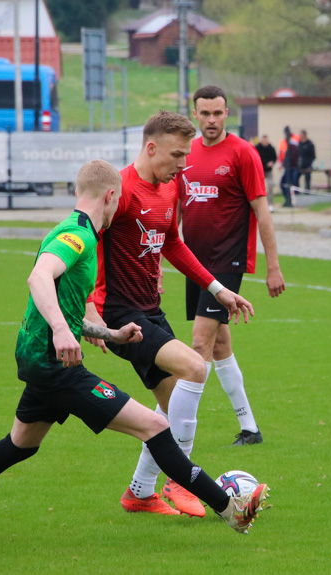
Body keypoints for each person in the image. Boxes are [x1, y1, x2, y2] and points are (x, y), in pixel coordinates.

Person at [0, 159, 269, 540]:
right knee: (155, 426)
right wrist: (60, 331)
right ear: (109, 196)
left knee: (20, 444)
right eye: (117, 200)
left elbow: (64, 305)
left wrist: (108, 333)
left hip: (42, 360)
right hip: (57, 366)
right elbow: (39, 276)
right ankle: (229, 509)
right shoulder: (79, 235)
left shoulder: (73, 229)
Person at [85, 111, 254, 518]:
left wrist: (218, 289)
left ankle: (140, 493)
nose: (183, 165)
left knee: (170, 409)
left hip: (150, 309)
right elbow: (86, 242)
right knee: (196, 367)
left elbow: (173, 244)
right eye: (177, 155)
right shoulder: (121, 191)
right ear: (151, 147)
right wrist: (91, 304)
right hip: (120, 313)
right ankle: (181, 482)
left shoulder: (172, 186)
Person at [180, 85, 286, 446]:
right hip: (193, 264)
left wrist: (273, 267)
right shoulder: (187, 153)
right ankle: (250, 429)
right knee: (221, 345)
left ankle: (176, 432)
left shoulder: (243, 154)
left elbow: (262, 211)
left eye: (218, 113)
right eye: (205, 113)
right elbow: (177, 211)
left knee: (199, 346)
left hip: (227, 261)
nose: (211, 120)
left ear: (227, 113)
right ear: (194, 113)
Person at [278, 126, 300, 207]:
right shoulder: (284, 142)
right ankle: (288, 200)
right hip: (288, 168)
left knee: (293, 185)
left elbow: (295, 156)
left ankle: (294, 201)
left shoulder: (294, 141)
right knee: (283, 184)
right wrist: (282, 164)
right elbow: (283, 154)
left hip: (293, 168)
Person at [255, 134, 278, 209]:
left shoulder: (271, 148)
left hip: (268, 171)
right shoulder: (257, 148)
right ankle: (259, 204)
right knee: (259, 187)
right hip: (259, 170)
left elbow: (274, 158)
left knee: (270, 186)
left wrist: (272, 162)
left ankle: (270, 204)